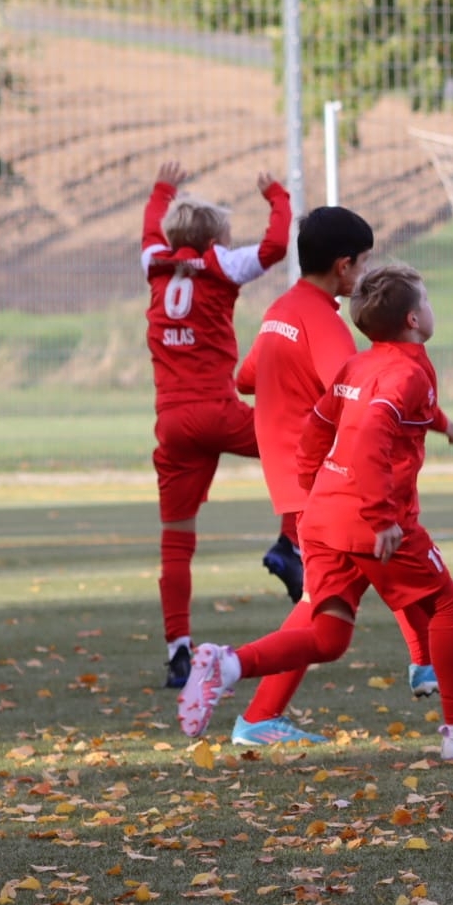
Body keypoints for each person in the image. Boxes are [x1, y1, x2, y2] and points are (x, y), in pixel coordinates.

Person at [177, 265, 453, 762]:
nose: (431, 308)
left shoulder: (362, 366)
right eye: (426, 301)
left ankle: (228, 666)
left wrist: (312, 483)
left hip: (324, 514)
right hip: (370, 517)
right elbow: (371, 434)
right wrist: (382, 517)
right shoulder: (406, 373)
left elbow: (320, 423)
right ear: (413, 319)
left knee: (329, 636)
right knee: (448, 604)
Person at [228, 207, 453, 745]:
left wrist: (432, 418)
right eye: (365, 261)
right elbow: (367, 402)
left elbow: (246, 378)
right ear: (344, 265)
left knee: (346, 605)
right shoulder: (326, 323)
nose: (366, 272)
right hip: (337, 479)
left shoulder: (281, 309)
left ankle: (425, 663)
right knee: (342, 596)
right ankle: (255, 710)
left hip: (302, 474)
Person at [143, 161, 293, 689]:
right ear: (212, 240)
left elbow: (149, 229)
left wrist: (162, 190)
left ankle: (177, 652)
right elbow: (275, 248)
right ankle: (289, 545)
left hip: (171, 421)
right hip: (216, 409)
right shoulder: (220, 265)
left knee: (176, 541)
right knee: (301, 444)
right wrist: (277, 196)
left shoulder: (155, 264)